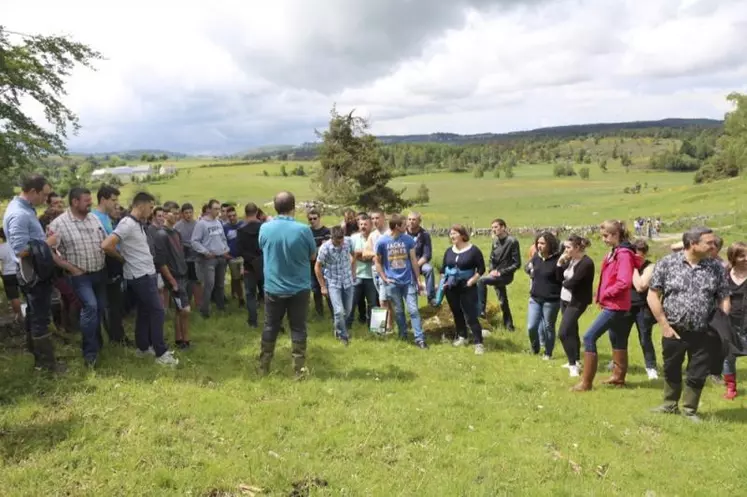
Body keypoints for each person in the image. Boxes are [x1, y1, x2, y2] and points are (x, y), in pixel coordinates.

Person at [649, 227, 730, 421]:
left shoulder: (716, 267)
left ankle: (689, 410)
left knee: (698, 371)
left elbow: (724, 296)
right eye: (709, 243)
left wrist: (721, 321)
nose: (714, 246)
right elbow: (653, 294)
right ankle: (669, 405)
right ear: (693, 244)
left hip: (705, 331)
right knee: (671, 367)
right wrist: (664, 325)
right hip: (674, 329)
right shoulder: (667, 264)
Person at [102, 192, 178, 366]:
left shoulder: (137, 224)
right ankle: (161, 352)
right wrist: (122, 258)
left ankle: (143, 348)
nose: (151, 211)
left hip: (146, 273)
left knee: (144, 312)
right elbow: (107, 245)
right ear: (141, 205)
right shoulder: (127, 224)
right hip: (140, 276)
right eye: (150, 207)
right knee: (157, 311)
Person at [2, 175, 66, 373]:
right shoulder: (19, 214)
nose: (46, 200)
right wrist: (48, 243)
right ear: (33, 192)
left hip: (34, 271)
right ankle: (47, 365)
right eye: (44, 195)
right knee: (40, 317)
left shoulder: (24, 209)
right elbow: (20, 249)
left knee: (33, 313)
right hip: (33, 273)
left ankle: (37, 358)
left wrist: (40, 238)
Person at [573, 220, 640, 392]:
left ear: (616, 235)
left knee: (589, 337)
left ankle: (586, 382)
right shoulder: (615, 252)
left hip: (616, 305)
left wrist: (605, 293)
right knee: (617, 339)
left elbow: (624, 282)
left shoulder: (623, 254)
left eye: (606, 236)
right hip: (614, 304)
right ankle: (618, 378)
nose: (603, 239)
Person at [258, 191, 316, 378]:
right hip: (299, 287)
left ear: (275, 207)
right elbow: (313, 255)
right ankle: (298, 370)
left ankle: (264, 366)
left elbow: (262, 247)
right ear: (294, 207)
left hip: (273, 287)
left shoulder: (265, 229)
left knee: (270, 326)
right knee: (298, 327)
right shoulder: (304, 230)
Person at [48, 187, 107, 367]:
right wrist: (70, 268)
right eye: (86, 200)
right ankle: (90, 354)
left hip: (99, 272)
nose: (90, 203)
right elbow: (49, 251)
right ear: (75, 202)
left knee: (99, 309)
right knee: (90, 307)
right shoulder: (59, 224)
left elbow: (104, 240)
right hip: (80, 277)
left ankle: (97, 343)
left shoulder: (94, 219)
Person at [374, 214, 427, 349]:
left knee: (413, 310)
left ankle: (419, 338)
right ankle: (403, 334)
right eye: (404, 224)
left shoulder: (408, 240)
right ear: (397, 226)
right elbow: (377, 262)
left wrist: (418, 279)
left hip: (408, 281)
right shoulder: (382, 242)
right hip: (392, 283)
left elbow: (414, 260)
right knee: (398, 311)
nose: (407, 226)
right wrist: (384, 278)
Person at [92, 184, 132, 347]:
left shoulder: (106, 217)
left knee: (115, 303)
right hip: (105, 264)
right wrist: (120, 258)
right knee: (109, 304)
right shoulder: (95, 218)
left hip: (112, 263)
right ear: (103, 199)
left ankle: (117, 335)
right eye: (113, 200)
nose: (116, 204)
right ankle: (115, 338)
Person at [440, 224, 486, 354]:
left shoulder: (474, 250)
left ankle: (478, 342)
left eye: (454, 233)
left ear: (462, 235)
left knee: (470, 315)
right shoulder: (449, 251)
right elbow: (443, 269)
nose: (452, 236)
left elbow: (481, 269)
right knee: (456, 312)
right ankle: (462, 337)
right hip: (451, 287)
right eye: (451, 234)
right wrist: (442, 283)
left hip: (467, 286)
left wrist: (472, 281)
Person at [154, 201, 191, 349]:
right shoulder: (161, 235)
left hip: (183, 275)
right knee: (185, 310)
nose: (176, 216)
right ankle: (187, 341)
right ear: (165, 213)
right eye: (173, 213)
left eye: (177, 213)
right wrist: (171, 281)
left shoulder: (177, 233)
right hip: (173, 277)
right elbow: (161, 262)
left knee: (179, 310)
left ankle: (180, 339)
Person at [557, 235, 595, 378]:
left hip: (577, 301)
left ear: (578, 248)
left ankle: (573, 365)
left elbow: (573, 282)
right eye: (565, 247)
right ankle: (576, 360)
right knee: (572, 330)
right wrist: (560, 264)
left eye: (568, 247)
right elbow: (558, 277)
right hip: (564, 299)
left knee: (563, 332)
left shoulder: (586, 263)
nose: (565, 250)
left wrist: (562, 283)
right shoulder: (570, 260)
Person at [524, 231, 563, 359]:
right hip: (535, 298)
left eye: (542, 243)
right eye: (538, 243)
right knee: (531, 327)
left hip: (551, 300)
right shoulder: (536, 256)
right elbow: (527, 267)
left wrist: (559, 266)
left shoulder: (558, 260)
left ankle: (548, 353)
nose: (539, 246)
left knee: (548, 327)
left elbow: (561, 278)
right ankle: (535, 349)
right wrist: (530, 270)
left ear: (550, 244)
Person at [477, 218, 521, 331]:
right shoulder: (495, 242)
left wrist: (500, 272)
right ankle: (509, 326)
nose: (493, 230)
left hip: (505, 276)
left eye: (496, 227)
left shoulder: (512, 241)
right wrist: (491, 269)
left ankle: (481, 310)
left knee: (481, 281)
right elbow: (491, 259)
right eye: (492, 228)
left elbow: (517, 264)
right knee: (503, 301)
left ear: (503, 227)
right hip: (495, 275)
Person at [315, 226, 356, 345]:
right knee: (338, 311)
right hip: (333, 283)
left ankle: (338, 329)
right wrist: (323, 286)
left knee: (347, 311)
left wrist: (353, 272)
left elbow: (354, 255)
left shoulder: (348, 242)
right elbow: (317, 267)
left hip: (348, 281)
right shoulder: (325, 248)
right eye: (338, 240)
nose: (341, 242)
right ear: (332, 237)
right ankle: (343, 336)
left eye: (342, 239)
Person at [191, 199, 230, 319]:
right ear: (209, 209)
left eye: (219, 209)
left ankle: (221, 307)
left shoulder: (218, 222)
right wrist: (205, 252)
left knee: (220, 284)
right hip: (209, 259)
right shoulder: (201, 224)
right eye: (215, 209)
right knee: (209, 284)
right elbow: (194, 241)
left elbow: (223, 238)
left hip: (221, 257)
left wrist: (226, 249)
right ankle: (205, 310)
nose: (218, 211)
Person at [630, 239, 659, 380]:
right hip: (626, 306)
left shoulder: (650, 266)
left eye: (640, 257)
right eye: (634, 257)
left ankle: (651, 367)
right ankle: (617, 362)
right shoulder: (626, 265)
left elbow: (640, 286)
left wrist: (633, 267)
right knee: (617, 336)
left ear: (645, 254)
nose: (638, 259)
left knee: (644, 338)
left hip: (642, 307)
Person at [722, 241, 747, 400]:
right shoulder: (725, 274)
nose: (746, 258)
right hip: (730, 321)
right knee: (728, 357)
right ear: (733, 257)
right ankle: (731, 388)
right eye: (742, 255)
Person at [365, 209, 393, 331]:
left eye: (377, 218)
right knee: (384, 299)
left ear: (384, 218)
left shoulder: (391, 233)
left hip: (389, 270)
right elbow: (365, 252)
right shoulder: (373, 235)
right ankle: (386, 326)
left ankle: (387, 327)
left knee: (384, 299)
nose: (375, 221)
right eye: (373, 219)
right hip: (376, 270)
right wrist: (376, 253)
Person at [236, 203, 263, 328]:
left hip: (249, 266)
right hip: (264, 265)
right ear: (257, 212)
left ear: (245, 213)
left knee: (250, 294)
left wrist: (251, 260)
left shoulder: (241, 231)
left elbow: (239, 250)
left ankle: (252, 322)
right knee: (268, 294)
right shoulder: (264, 228)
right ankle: (273, 322)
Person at [348, 214, 378, 327]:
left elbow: (377, 255)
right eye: (361, 224)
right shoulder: (353, 238)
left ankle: (374, 327)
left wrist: (360, 254)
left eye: (365, 224)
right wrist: (365, 255)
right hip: (357, 275)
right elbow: (351, 254)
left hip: (371, 276)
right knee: (351, 303)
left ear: (370, 225)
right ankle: (347, 326)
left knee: (372, 304)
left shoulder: (375, 237)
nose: (363, 226)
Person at [174, 203, 203, 308]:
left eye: (190, 212)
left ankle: (199, 303)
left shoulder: (198, 224)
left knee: (197, 281)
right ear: (182, 214)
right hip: (183, 258)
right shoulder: (177, 226)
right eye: (186, 213)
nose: (188, 215)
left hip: (196, 257)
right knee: (185, 282)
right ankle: (186, 303)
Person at [307, 209, 333, 318]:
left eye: (314, 218)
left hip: (324, 265)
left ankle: (333, 313)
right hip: (311, 265)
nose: (312, 221)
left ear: (319, 218)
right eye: (310, 219)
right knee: (316, 290)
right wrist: (318, 247)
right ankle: (319, 314)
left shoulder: (326, 231)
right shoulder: (307, 232)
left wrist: (315, 249)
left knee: (327, 289)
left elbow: (326, 248)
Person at [406, 212, 435, 303]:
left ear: (419, 221)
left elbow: (427, 255)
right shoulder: (403, 233)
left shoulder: (424, 235)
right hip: (405, 263)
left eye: (414, 219)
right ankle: (411, 300)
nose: (411, 222)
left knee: (429, 269)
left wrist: (416, 265)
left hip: (420, 263)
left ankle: (431, 298)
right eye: (409, 219)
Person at [223, 206, 245, 307]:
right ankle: (241, 298)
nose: (232, 218)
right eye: (230, 216)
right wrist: (226, 254)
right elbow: (223, 242)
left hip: (244, 257)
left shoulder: (243, 225)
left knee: (245, 277)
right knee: (236, 279)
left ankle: (250, 297)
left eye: (234, 215)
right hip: (232, 257)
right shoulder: (225, 227)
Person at [0, 228, 22, 324]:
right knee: (27, 293)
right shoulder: (17, 245)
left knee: (14, 296)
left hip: (7, 274)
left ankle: (18, 315)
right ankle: (31, 313)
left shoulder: (1, 248)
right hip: (21, 272)